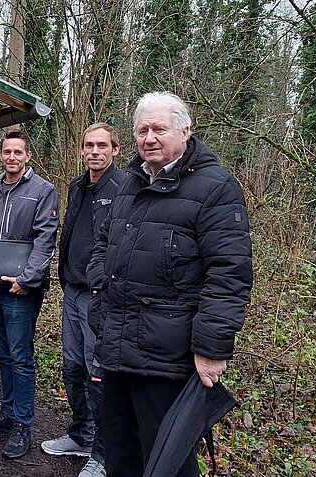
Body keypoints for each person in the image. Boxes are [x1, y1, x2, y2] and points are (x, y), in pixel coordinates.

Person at [86, 92, 252, 477]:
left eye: (159, 129)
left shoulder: (216, 189)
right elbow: (102, 245)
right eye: (143, 130)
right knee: (120, 456)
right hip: (116, 350)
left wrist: (212, 348)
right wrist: (101, 294)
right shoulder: (129, 183)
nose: (149, 138)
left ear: (185, 131)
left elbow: (229, 273)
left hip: (167, 360)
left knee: (166, 463)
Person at [41, 123, 126, 477]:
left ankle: (103, 454)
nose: (95, 151)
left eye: (102, 146)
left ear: (115, 150)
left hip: (101, 299)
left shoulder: (124, 188)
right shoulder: (77, 186)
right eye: (89, 145)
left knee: (98, 373)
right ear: (81, 150)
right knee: (72, 366)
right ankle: (80, 434)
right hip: (73, 292)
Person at [0, 130, 59, 459]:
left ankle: (23, 424)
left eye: (18, 152)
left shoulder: (42, 191)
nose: (12, 157)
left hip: (21, 290)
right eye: (7, 152)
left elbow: (44, 239)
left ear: (28, 156)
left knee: (21, 358)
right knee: (3, 354)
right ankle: (7, 414)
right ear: (0, 155)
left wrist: (27, 278)